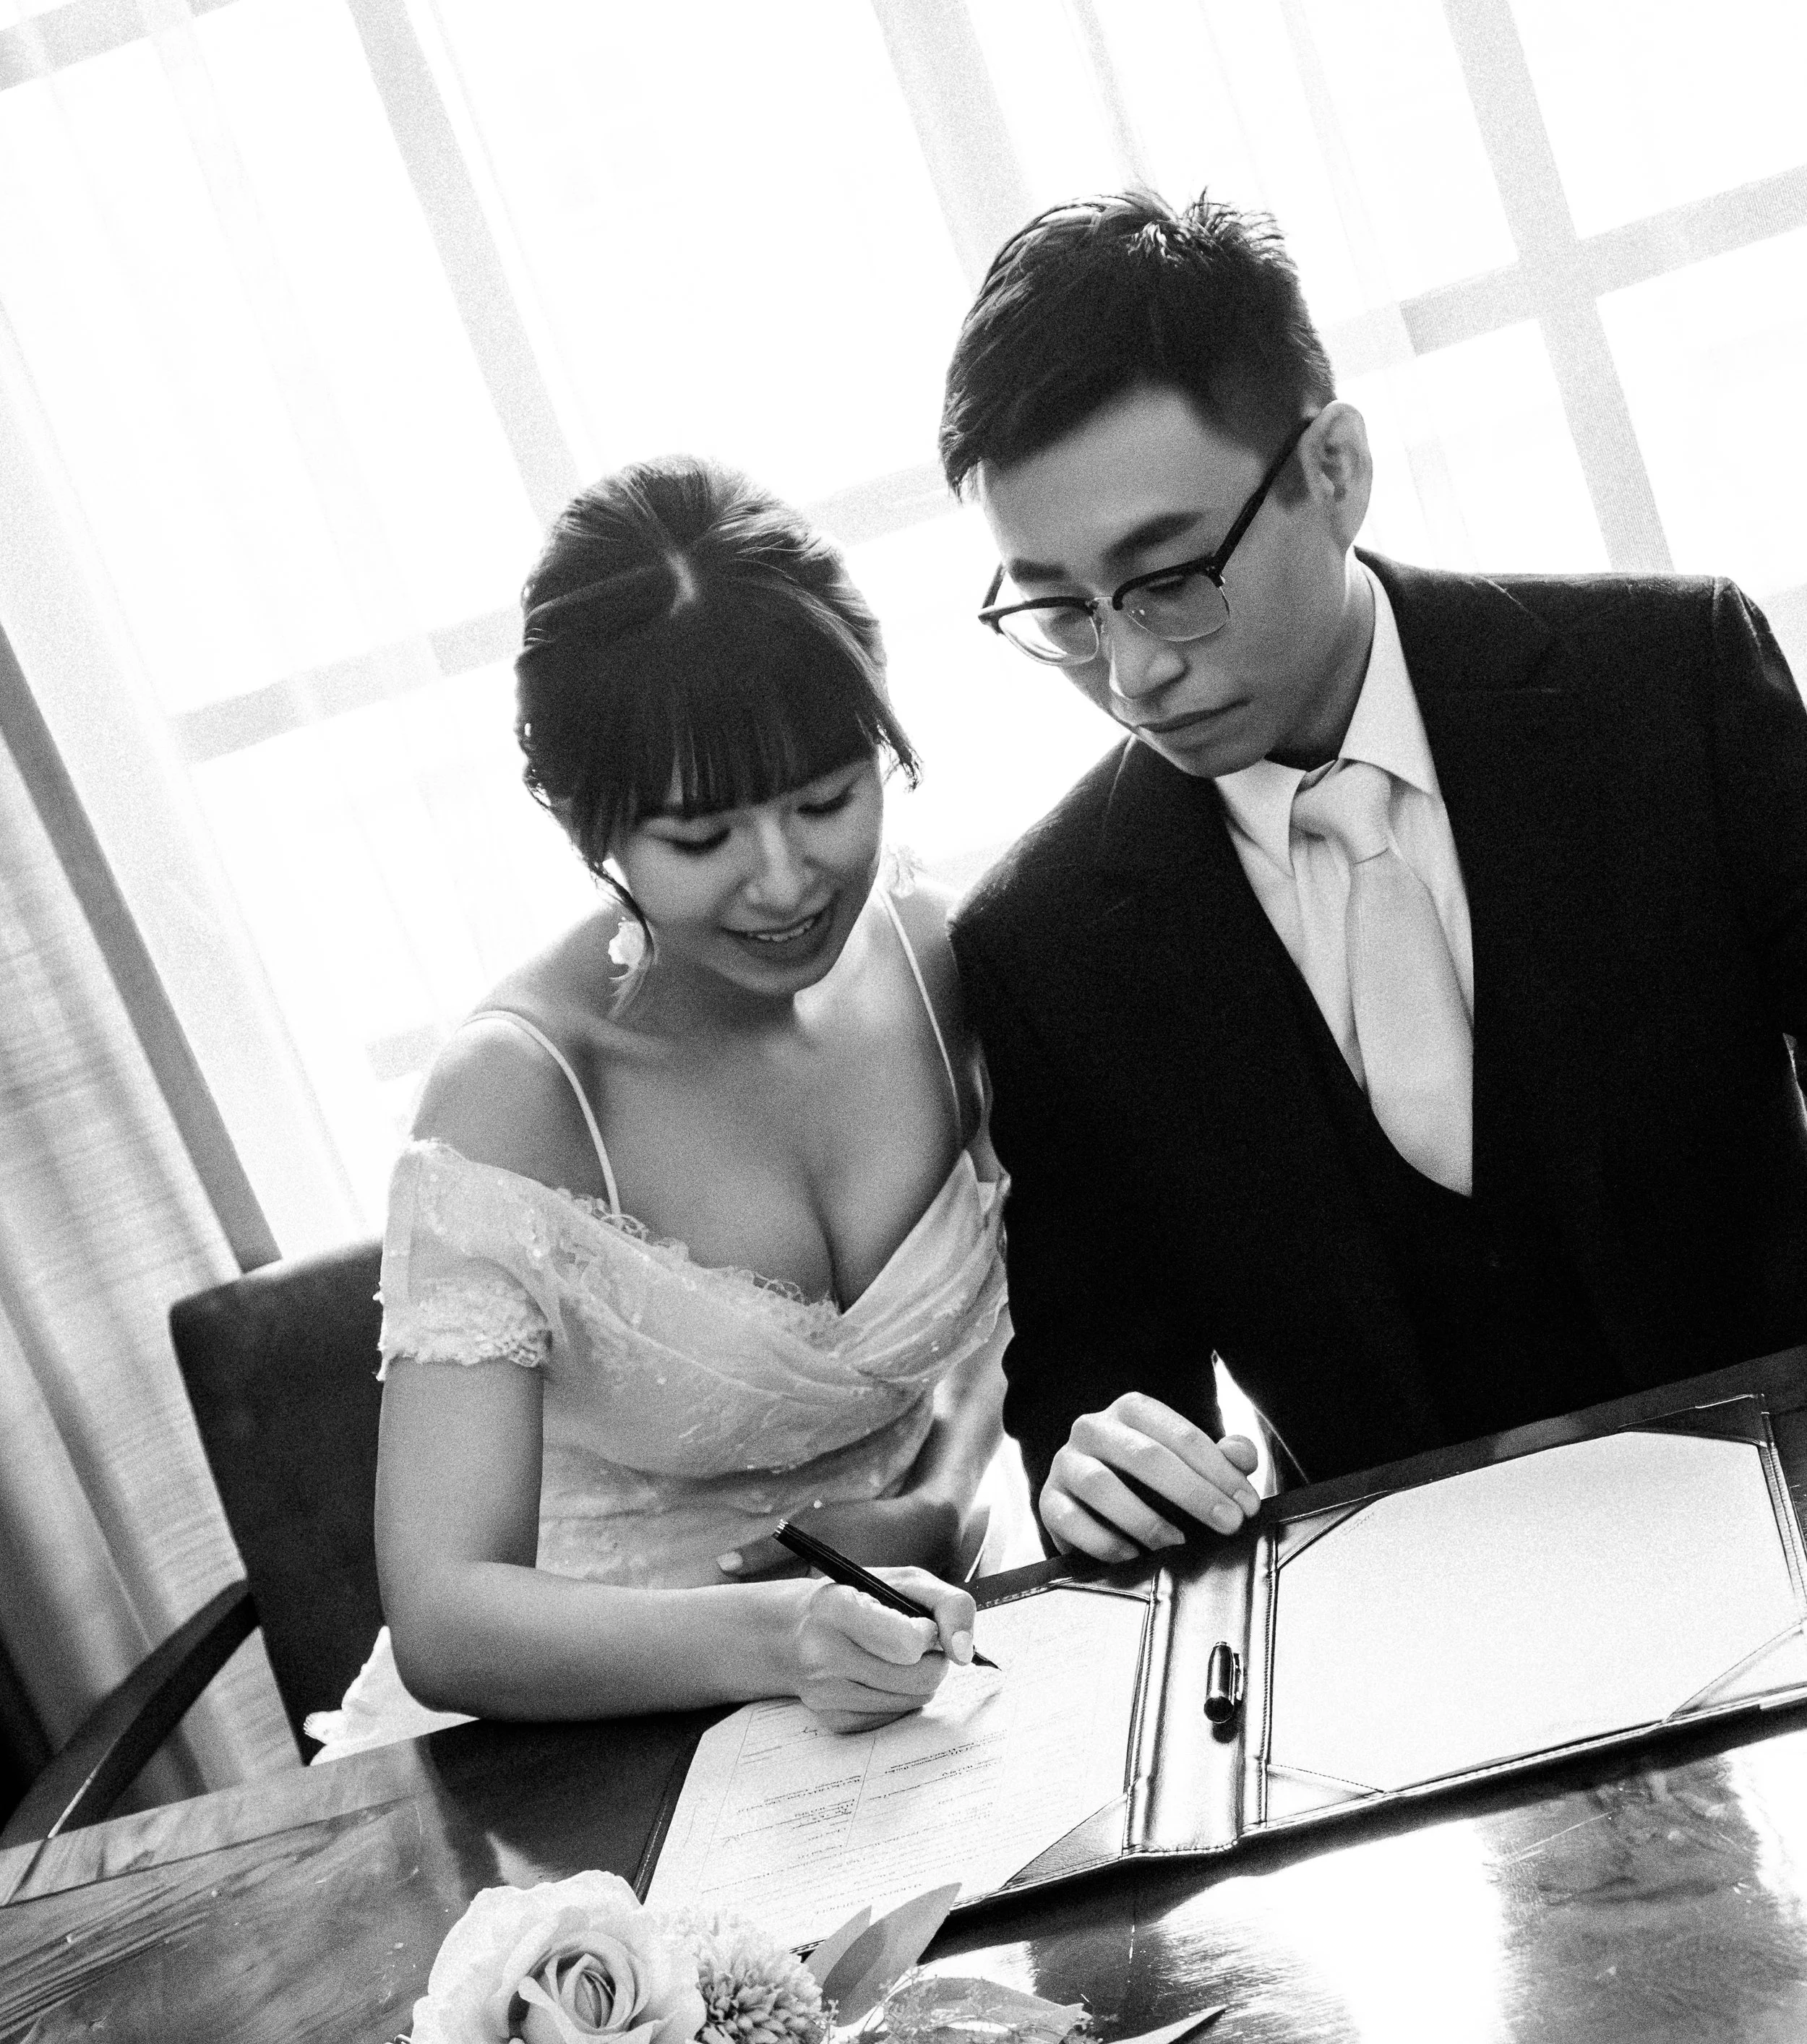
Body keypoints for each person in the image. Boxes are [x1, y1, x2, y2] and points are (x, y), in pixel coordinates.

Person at [941, 189, 1807, 1563]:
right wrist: (1103, 1471)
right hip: (1407, 1648)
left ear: (1333, 469)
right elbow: (1100, 1397)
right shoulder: (1045, 942)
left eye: (1166, 577)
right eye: (1057, 611)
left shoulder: (1673, 686)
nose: (1131, 670)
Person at [306, 458, 1008, 1757]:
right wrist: (789, 1633)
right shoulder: (518, 1094)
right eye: (703, 840)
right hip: (580, 1747)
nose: (789, 880)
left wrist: (944, 1500)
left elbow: (1000, 1311)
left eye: (826, 798)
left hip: (915, 1653)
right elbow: (447, 1617)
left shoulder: (924, 945)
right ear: (591, 826)